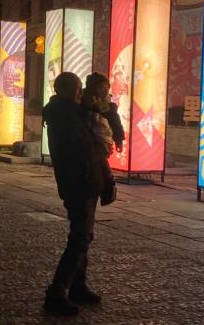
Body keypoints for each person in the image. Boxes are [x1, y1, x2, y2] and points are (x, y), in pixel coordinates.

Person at [42, 72, 106, 316]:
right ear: (66, 90)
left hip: (83, 180)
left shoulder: (67, 112)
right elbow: (81, 147)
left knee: (84, 235)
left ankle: (78, 285)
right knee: (79, 238)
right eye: (78, 88)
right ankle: (57, 291)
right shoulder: (65, 115)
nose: (81, 92)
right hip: (79, 181)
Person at [82, 72, 126, 204]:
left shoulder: (107, 105)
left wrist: (119, 139)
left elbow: (115, 122)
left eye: (107, 87)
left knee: (100, 159)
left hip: (102, 138)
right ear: (93, 87)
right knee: (96, 162)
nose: (105, 90)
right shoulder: (82, 99)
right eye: (102, 87)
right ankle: (107, 185)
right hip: (87, 138)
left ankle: (109, 184)